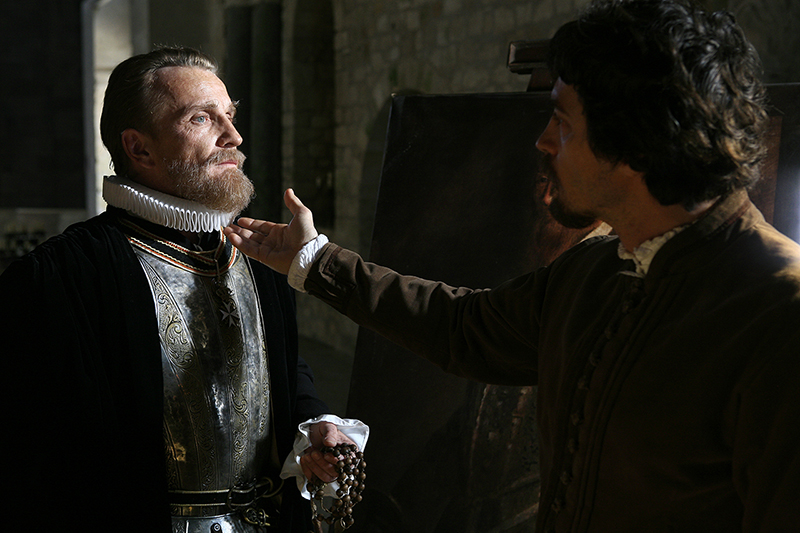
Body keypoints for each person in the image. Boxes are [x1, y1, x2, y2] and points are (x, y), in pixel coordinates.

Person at [224, 0, 800, 531]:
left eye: (563, 123)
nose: (543, 142)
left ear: (636, 143)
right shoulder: (597, 269)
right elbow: (464, 327)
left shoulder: (776, 313)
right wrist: (314, 260)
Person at [1, 47, 367, 533]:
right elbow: (35, 461)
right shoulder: (59, 277)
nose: (233, 136)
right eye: (202, 118)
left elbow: (282, 368)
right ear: (139, 148)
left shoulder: (258, 254)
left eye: (230, 115)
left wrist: (315, 425)